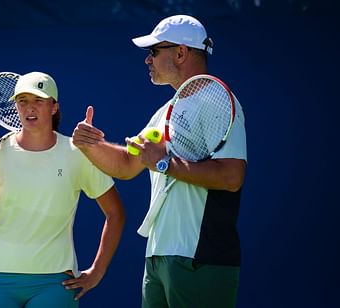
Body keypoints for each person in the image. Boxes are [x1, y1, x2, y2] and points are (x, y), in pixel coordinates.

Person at [71, 15, 247, 308]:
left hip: (200, 257)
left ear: (180, 53)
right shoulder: (165, 111)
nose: (147, 60)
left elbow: (231, 176)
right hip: (158, 256)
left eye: (154, 51)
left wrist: (165, 162)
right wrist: (91, 145)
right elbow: (128, 164)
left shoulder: (217, 99)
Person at [0, 71, 125, 308]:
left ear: (53, 107)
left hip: (55, 283)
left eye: (38, 101)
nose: (30, 108)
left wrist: (97, 271)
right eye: (23, 102)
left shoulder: (77, 153)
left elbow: (116, 213)